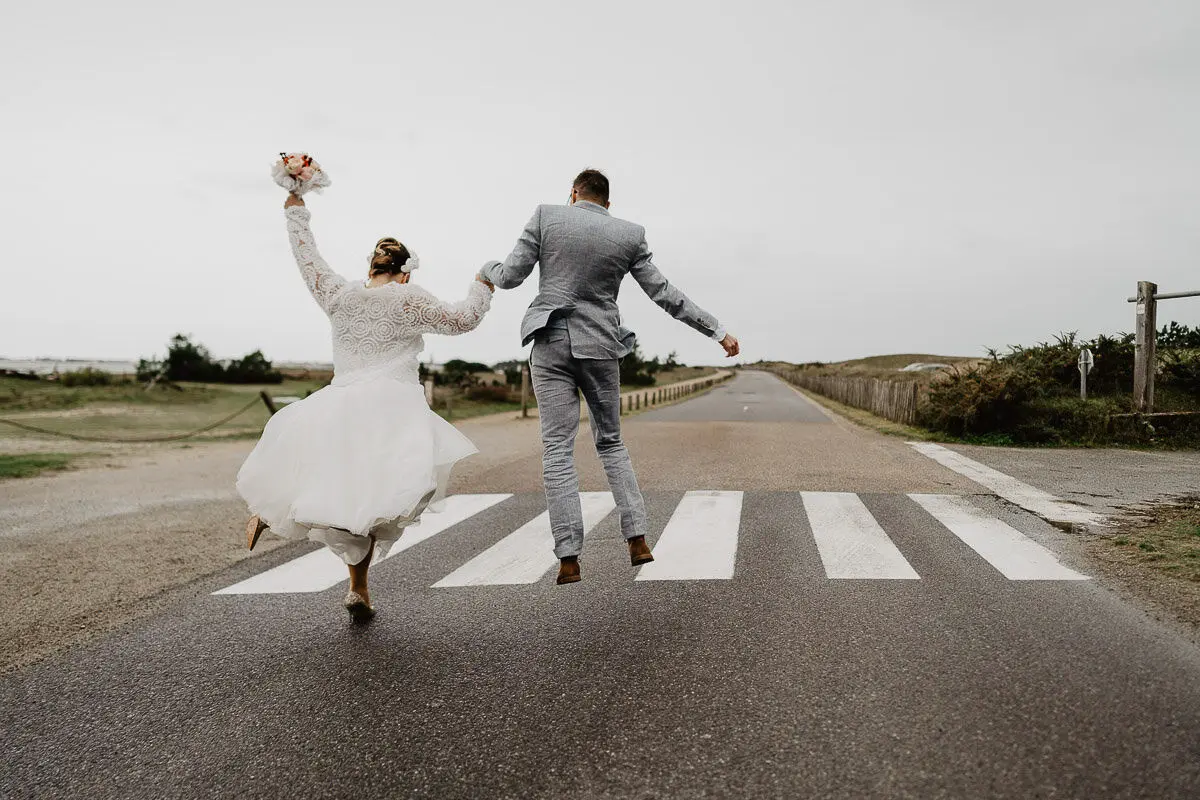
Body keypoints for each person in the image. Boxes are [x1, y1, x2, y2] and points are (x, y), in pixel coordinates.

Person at [237, 192, 494, 622]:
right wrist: (483, 284)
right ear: (404, 274)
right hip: (391, 410)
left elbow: (307, 258)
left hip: (340, 405)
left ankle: (348, 578)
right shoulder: (408, 299)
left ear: (371, 267)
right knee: (384, 498)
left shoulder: (338, 294)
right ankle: (348, 578)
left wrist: (295, 206)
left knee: (348, 493)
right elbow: (463, 319)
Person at [479, 169, 739, 585]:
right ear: (608, 203)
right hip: (601, 345)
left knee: (557, 449)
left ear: (573, 193)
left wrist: (486, 269)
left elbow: (510, 276)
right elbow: (665, 294)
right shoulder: (629, 235)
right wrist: (717, 331)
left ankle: (569, 557)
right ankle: (637, 537)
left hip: (551, 342)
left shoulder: (546, 216)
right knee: (611, 442)